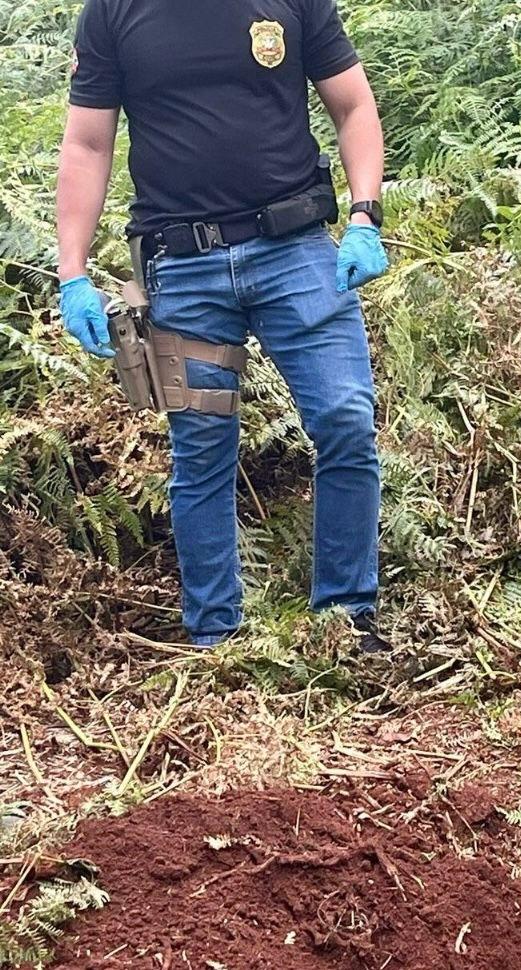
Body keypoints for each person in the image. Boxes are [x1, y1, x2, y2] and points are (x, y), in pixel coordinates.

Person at [56, 0, 390, 652]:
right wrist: (71, 274)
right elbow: (87, 141)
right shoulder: (113, 12)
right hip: (182, 268)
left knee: (346, 420)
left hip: (296, 253)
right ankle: (217, 640)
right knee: (202, 452)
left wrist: (364, 217)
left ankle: (346, 622)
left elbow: (352, 105)